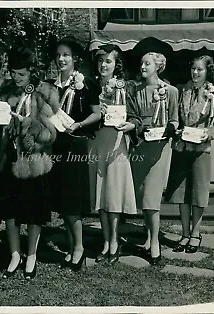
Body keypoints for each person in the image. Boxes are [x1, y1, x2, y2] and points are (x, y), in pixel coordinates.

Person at [0, 45, 60, 280]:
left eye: (21, 74)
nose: (16, 78)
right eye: (13, 73)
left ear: (32, 72)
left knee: (33, 210)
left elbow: (51, 134)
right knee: (10, 209)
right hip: (8, 159)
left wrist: (29, 124)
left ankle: (32, 255)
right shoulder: (1, 91)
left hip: (33, 161)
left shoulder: (43, 93)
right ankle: (14, 254)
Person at [123, 37, 179, 265]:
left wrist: (169, 129)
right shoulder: (134, 90)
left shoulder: (171, 91)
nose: (142, 67)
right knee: (142, 194)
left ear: (158, 64)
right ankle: (147, 236)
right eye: (141, 63)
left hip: (160, 148)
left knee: (152, 197)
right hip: (140, 145)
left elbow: (175, 119)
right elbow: (131, 117)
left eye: (147, 63)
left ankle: (154, 243)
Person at [48, 36, 101, 271]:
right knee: (61, 199)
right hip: (56, 146)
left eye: (66, 55)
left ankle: (79, 248)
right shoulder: (50, 86)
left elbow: (97, 114)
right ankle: (71, 247)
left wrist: (78, 125)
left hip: (75, 144)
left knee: (72, 199)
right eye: (59, 55)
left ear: (75, 59)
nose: (61, 59)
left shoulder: (85, 84)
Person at [165, 55, 214, 253]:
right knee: (181, 193)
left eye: (200, 69)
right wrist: (176, 129)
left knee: (198, 194)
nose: (195, 73)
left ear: (208, 71)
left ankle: (195, 234)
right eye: (193, 69)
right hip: (181, 148)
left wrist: (208, 133)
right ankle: (184, 234)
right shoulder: (182, 90)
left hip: (201, 150)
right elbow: (176, 118)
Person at [89, 44, 137, 264]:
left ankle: (115, 242)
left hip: (117, 144)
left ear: (116, 64)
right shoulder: (89, 85)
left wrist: (131, 125)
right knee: (101, 194)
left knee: (114, 193)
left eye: (108, 61)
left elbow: (136, 116)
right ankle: (105, 240)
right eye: (100, 61)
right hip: (96, 143)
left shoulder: (126, 87)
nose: (103, 65)